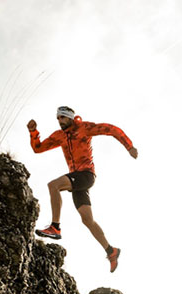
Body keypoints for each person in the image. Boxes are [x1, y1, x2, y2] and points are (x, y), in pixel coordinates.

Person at [26, 106, 138, 273]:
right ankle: (111, 251)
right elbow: (38, 148)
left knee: (53, 185)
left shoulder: (84, 128)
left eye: (63, 117)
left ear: (70, 117)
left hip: (86, 175)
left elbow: (111, 130)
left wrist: (129, 146)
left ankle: (55, 227)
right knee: (87, 220)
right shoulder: (60, 136)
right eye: (58, 118)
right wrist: (33, 131)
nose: (60, 121)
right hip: (76, 179)